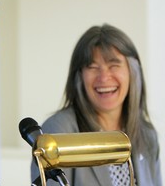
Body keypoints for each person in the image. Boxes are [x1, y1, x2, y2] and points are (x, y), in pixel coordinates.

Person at [31, 24, 162, 186]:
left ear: (133, 72)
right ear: (79, 76)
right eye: (92, 67)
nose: (104, 77)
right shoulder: (58, 132)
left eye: (114, 65)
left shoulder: (147, 135)